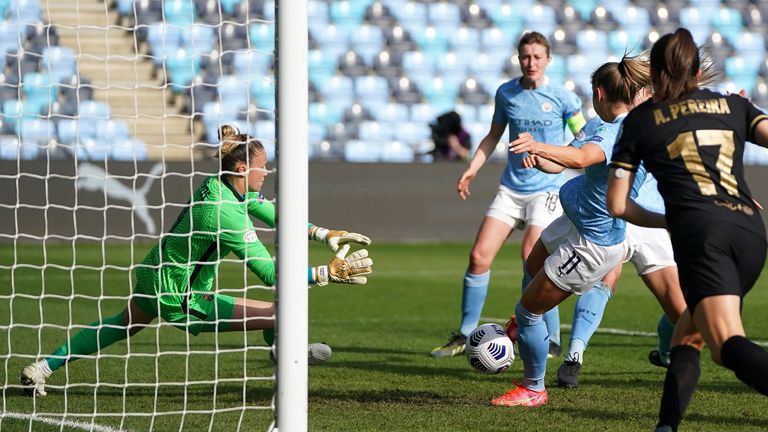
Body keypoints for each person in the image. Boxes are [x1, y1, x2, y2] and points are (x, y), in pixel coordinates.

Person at [19, 125, 374, 397]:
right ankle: (287, 357)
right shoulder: (225, 213)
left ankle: (43, 367)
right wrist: (327, 272)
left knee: (122, 324)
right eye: (262, 167)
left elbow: (269, 210)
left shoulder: (222, 186)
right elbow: (269, 274)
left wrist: (322, 233)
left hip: (155, 274)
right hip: (181, 296)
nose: (267, 173)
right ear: (240, 168)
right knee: (278, 311)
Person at [606, 28, 768, 432]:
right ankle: (666, 426)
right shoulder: (733, 105)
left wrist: (669, 219)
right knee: (686, 337)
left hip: (703, 238)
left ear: (656, 74)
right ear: (697, 71)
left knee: (725, 345)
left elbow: (617, 205)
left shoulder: (641, 121)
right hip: (750, 232)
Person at [489, 55, 650, 407]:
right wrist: (541, 158)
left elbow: (581, 159)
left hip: (593, 242)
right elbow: (565, 158)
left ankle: (533, 389)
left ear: (599, 92)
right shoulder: (597, 123)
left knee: (530, 308)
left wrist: (538, 145)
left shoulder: (617, 131)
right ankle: (522, 330)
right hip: (573, 221)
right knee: (530, 272)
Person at [431, 31, 586, 358]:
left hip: (546, 189)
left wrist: (551, 158)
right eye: (525, 57)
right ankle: (463, 333)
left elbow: (582, 140)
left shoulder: (564, 98)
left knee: (532, 256)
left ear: (548, 60)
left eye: (537, 57)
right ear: (519, 59)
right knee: (478, 257)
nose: (531, 63)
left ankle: (552, 337)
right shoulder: (507, 93)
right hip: (512, 188)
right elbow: (493, 136)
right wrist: (473, 168)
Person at [555, 173, 692, 389]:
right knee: (607, 276)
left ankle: (666, 354)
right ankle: (573, 358)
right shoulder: (621, 140)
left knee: (679, 309)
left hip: (651, 219)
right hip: (617, 213)